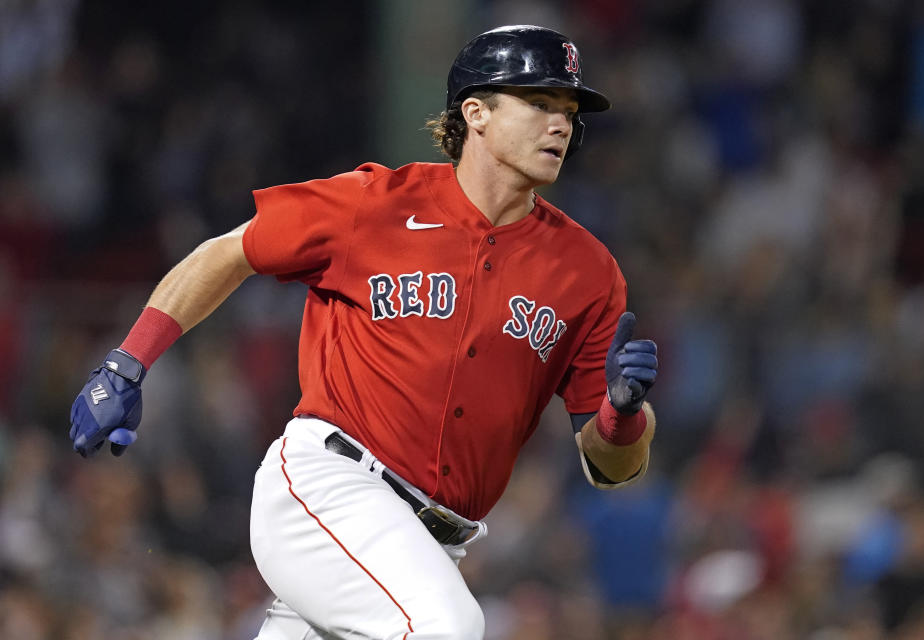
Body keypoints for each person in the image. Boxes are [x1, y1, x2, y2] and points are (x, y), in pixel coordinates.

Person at [69, 25, 659, 640]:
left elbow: (612, 467)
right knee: (443, 628)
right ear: (476, 113)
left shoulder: (588, 272)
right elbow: (227, 253)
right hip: (331, 487)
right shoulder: (374, 203)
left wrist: (623, 419)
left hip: (429, 544)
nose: (561, 125)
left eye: (568, 112)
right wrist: (126, 363)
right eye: (539, 104)